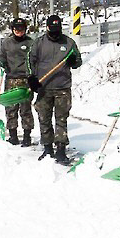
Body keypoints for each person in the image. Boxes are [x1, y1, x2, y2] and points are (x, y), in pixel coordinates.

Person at [27, 15, 82, 164]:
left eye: (57, 31)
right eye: (52, 31)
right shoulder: (39, 43)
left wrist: (73, 61)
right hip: (43, 87)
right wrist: (31, 78)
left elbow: (78, 61)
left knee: (61, 119)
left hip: (62, 87)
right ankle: (47, 148)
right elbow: (30, 61)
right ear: (47, 28)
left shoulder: (69, 43)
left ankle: (61, 149)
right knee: (44, 118)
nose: (55, 34)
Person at [0, 18, 35, 146]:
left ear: (25, 29)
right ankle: (13, 136)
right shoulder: (7, 43)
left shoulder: (31, 43)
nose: (19, 31)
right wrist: (3, 63)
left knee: (25, 108)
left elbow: (36, 59)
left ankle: (27, 136)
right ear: (12, 29)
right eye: (16, 29)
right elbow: (1, 55)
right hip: (11, 79)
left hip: (26, 79)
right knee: (11, 108)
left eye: (21, 29)